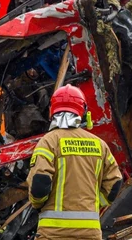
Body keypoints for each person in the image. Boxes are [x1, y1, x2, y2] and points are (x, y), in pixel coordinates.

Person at [27, 85, 123, 240]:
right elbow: (114, 184)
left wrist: (37, 204)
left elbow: (40, 183)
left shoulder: (49, 142)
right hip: (90, 232)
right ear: (83, 110)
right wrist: (92, 204)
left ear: (53, 109)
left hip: (54, 233)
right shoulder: (99, 144)